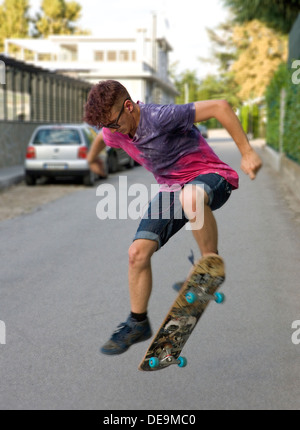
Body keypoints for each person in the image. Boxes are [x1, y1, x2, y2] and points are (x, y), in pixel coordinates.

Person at [84, 80, 262, 355]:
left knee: (190, 197)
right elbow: (101, 138)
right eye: (108, 127)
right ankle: (137, 323)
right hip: (172, 189)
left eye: (114, 124)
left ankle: (208, 268)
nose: (113, 132)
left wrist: (247, 151)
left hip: (211, 177)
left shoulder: (161, 116)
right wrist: (93, 159)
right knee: (137, 253)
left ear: (129, 107)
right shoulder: (113, 131)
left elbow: (219, 106)